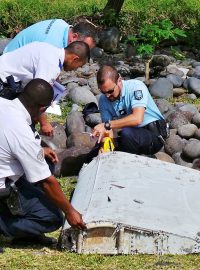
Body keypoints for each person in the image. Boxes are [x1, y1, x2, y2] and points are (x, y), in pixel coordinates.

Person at [0, 79, 85, 249]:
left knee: (46, 162)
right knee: (52, 217)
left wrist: (40, 151)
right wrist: (70, 211)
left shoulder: (4, 104)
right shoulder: (21, 131)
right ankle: (3, 225)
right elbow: (46, 181)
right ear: (42, 109)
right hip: (3, 186)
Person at [0, 40, 90, 136]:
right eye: (79, 66)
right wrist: (44, 124)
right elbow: (38, 96)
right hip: (3, 82)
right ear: (75, 59)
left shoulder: (49, 49)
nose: (76, 69)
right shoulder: (52, 64)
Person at [92, 65, 167, 156]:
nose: (107, 96)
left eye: (110, 91)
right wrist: (105, 148)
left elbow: (137, 119)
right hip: (132, 134)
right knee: (95, 152)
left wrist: (107, 125)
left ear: (119, 81)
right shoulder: (103, 100)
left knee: (126, 133)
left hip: (154, 135)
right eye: (104, 92)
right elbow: (108, 130)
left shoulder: (135, 87)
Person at [3, 19, 96, 53]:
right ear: (74, 37)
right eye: (84, 48)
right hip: (9, 67)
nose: (84, 53)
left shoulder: (61, 23)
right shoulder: (52, 46)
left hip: (10, 49)